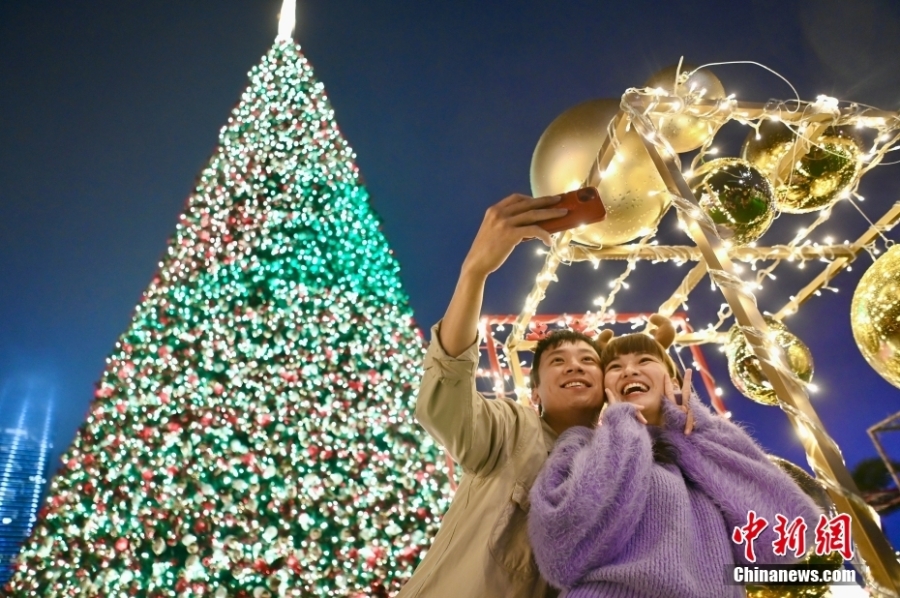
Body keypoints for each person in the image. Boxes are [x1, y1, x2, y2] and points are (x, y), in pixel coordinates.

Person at [397, 193, 608, 598]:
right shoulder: (511, 429)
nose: (575, 366)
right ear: (536, 390)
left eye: (588, 360)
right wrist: (474, 272)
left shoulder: (616, 464)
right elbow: (446, 396)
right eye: (558, 361)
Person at [527, 323, 823, 598]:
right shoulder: (581, 446)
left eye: (644, 361)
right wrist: (624, 424)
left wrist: (686, 434)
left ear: (672, 377)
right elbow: (561, 555)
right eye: (615, 367)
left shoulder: (710, 439)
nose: (629, 371)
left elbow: (782, 539)